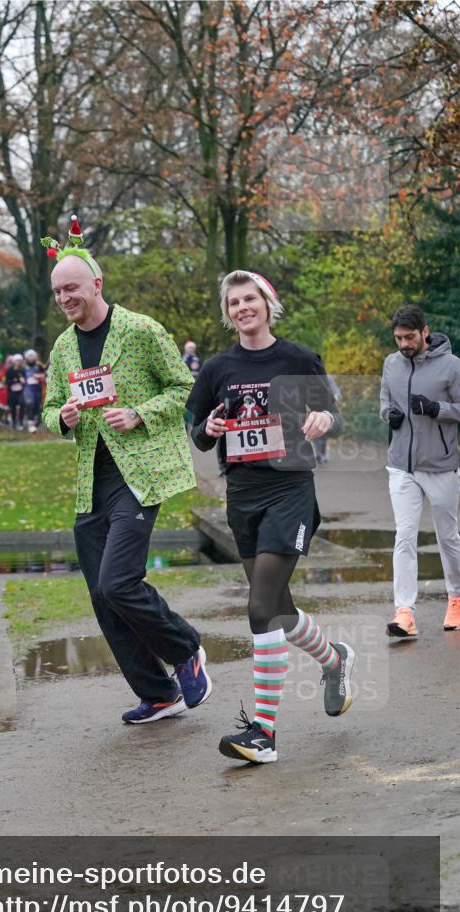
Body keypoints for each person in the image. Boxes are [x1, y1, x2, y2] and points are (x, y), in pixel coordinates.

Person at [40, 215, 210, 723]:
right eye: (56, 292)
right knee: (101, 595)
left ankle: (185, 650)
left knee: (119, 582)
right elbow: (49, 409)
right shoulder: (63, 347)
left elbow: (183, 387)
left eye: (71, 287)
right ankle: (157, 693)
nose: (64, 298)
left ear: (96, 283)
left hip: (141, 473)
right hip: (92, 481)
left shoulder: (139, 330)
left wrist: (140, 413)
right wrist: (62, 418)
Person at [188, 270, 353, 764]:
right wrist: (210, 426)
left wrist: (325, 419)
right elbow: (197, 431)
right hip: (242, 494)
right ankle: (334, 659)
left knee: (260, 607)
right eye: (234, 302)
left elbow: (335, 416)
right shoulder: (217, 368)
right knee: (278, 609)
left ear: (267, 303)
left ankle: (263, 733)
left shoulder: (298, 358)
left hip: (290, 489)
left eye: (250, 299)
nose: (242, 308)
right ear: (228, 313)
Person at [379, 304, 460, 636]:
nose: (403, 344)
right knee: (404, 537)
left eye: (409, 337)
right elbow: (384, 402)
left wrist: (436, 408)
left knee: (448, 537)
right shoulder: (391, 364)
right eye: (398, 338)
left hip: (440, 465)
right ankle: (404, 613)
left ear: (424, 331)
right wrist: (389, 416)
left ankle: (456, 597)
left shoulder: (452, 366)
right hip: (401, 465)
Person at [313, 373, 341, 464]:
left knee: (324, 432)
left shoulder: (328, 378)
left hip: (327, 409)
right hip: (314, 408)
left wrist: (336, 396)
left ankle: (323, 453)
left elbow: (335, 390)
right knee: (315, 431)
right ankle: (318, 454)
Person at [23, 349, 46, 432]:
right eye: (30, 356)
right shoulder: (23, 367)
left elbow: (46, 373)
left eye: (33, 356)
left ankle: (36, 422)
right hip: (28, 388)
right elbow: (20, 375)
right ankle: (30, 424)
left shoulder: (39, 366)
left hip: (38, 388)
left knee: (37, 406)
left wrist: (39, 376)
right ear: (26, 358)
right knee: (30, 403)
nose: (31, 358)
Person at [182, 340, 202, 431]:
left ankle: (192, 423)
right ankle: (185, 423)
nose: (191, 349)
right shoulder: (182, 359)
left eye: (192, 348)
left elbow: (198, 370)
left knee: (193, 404)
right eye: (189, 348)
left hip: (195, 384)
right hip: (184, 385)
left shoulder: (196, 359)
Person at [6, 354, 26, 429]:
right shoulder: (9, 370)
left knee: (22, 404)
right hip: (12, 391)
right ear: (14, 361)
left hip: (20, 391)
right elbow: (7, 382)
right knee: (13, 407)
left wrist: (23, 382)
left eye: (20, 361)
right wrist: (16, 381)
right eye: (17, 360)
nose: (18, 362)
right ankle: (14, 422)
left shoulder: (22, 370)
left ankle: (21, 421)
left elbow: (25, 380)